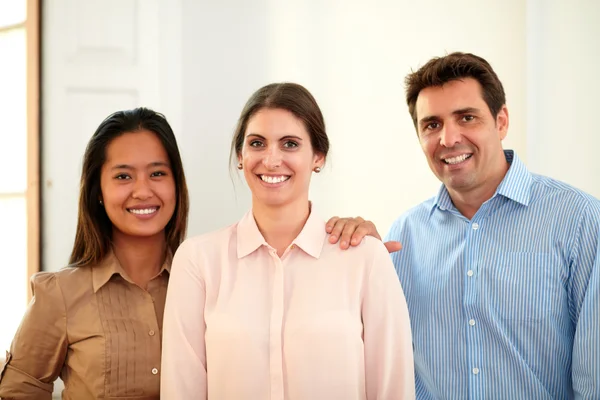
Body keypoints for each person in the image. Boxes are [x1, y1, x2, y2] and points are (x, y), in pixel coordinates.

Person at [327, 52, 600, 399]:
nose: (448, 138)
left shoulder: (581, 221)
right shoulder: (403, 236)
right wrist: (356, 263)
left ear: (501, 121)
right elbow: (373, 359)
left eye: (466, 118)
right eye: (432, 125)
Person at [160, 82, 415, 399]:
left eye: (290, 144)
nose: (271, 159)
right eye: (257, 143)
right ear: (240, 156)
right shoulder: (198, 262)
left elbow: (394, 389)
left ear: (318, 157)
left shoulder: (365, 257)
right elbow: (181, 389)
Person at [0, 107, 189, 399]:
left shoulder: (203, 282)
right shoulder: (60, 294)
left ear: (176, 183)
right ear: (98, 191)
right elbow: (18, 391)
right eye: (123, 176)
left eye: (157, 173)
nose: (142, 191)